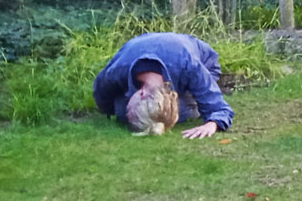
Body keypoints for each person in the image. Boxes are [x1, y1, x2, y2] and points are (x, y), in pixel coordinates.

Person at [93, 32, 234, 138]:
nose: (128, 109)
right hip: (142, 46)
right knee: (121, 112)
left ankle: (188, 104)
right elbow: (101, 93)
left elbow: (218, 106)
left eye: (132, 110)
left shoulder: (188, 65)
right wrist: (111, 110)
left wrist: (213, 123)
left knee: (180, 111)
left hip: (205, 62)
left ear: (142, 93)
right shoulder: (118, 70)